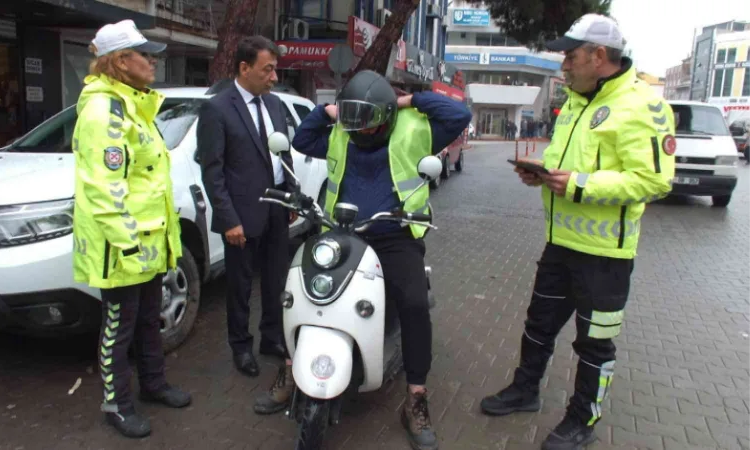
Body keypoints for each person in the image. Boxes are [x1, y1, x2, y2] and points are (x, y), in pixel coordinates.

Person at [478, 14, 675, 450]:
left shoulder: (644, 105)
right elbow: (563, 154)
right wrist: (542, 172)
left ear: (598, 56)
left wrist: (580, 185)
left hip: (606, 256)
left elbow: (654, 181)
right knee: (538, 326)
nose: (563, 64)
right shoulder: (574, 100)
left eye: (571, 55)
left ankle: (581, 419)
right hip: (560, 244)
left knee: (594, 345)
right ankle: (525, 391)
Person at [267, 70, 471, 450]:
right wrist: (331, 110)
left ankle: (415, 397)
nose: (360, 132)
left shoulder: (414, 127)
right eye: (353, 122)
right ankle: (290, 370)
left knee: (412, 303)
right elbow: (303, 138)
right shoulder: (343, 127)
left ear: (387, 115)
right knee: (298, 291)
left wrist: (411, 100)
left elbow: (459, 117)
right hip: (339, 229)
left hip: (394, 233)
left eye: (368, 122)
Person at [71, 19, 192, 439]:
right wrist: (127, 246)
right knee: (118, 327)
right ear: (122, 62)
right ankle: (116, 405)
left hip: (148, 242)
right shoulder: (104, 111)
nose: (154, 62)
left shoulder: (133, 105)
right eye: (147, 55)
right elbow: (104, 189)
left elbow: (147, 180)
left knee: (147, 321)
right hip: (123, 247)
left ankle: (154, 385)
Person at [197, 36, 297, 379]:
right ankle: (241, 346)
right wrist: (228, 219)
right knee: (240, 286)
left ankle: (271, 337)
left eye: (275, 70)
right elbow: (213, 170)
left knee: (275, 280)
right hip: (241, 216)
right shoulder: (217, 108)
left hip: (277, 210)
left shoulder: (274, 105)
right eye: (267, 69)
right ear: (244, 67)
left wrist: (291, 197)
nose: (273, 77)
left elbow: (283, 155)